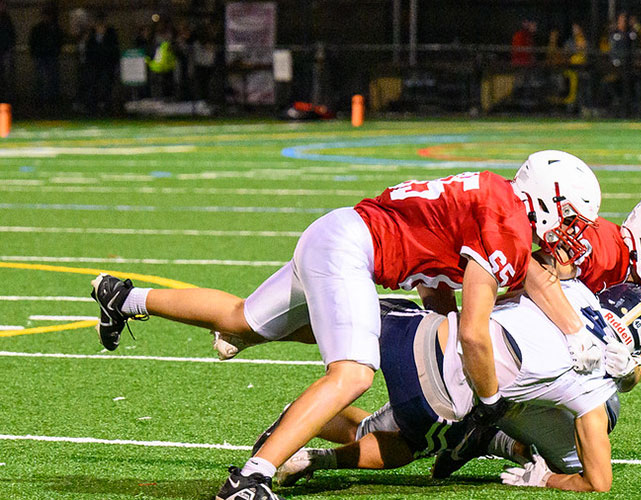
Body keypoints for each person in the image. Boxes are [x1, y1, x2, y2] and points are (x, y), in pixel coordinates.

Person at [90, 152, 604, 500]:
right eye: (572, 218)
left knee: (241, 319)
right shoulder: (507, 222)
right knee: (354, 374)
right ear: (548, 197)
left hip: (337, 232)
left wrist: (568, 332)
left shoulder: (493, 198)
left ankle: (123, 296)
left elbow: (437, 291)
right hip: (350, 250)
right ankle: (251, 478)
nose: (571, 233)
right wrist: (491, 403)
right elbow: (472, 332)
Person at [267, 279, 641, 493]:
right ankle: (318, 458)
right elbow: (598, 481)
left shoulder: (569, 290)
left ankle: (257, 332)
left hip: (424, 331)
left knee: (354, 324)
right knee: (407, 437)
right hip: (452, 390)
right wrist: (544, 479)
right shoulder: (598, 389)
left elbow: (512, 278)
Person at [29, 6, 63, 112]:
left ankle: (49, 102)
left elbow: (59, 41)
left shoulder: (52, 28)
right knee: (43, 80)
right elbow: (33, 42)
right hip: (43, 56)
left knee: (50, 80)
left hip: (49, 56)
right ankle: (43, 102)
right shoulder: (41, 29)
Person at [0, 0, 15, 103]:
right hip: (4, 50)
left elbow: (11, 34)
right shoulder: (5, 18)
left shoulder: (7, 18)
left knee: (6, 76)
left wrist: (9, 46)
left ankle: (6, 98)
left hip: (5, 50)